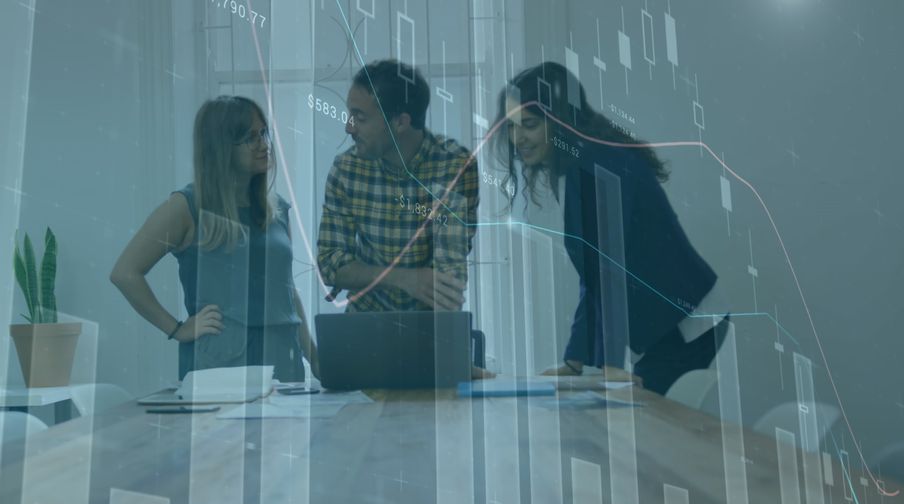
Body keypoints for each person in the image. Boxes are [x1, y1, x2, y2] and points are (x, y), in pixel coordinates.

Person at [490, 62, 729, 394]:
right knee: (634, 406)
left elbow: (608, 268)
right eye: (511, 127)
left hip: (689, 319)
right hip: (675, 317)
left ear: (560, 121)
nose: (517, 139)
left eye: (528, 125)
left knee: (645, 412)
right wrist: (576, 360)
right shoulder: (582, 162)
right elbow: (594, 274)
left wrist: (611, 365)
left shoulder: (596, 164)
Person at [111, 95, 319, 382]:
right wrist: (176, 329)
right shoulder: (187, 206)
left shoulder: (277, 209)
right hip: (221, 366)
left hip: (282, 358)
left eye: (263, 133)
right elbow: (125, 273)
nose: (264, 145)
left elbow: (286, 290)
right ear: (222, 148)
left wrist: (314, 356)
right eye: (250, 138)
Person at [317, 59, 480, 313]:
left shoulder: (454, 167)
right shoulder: (346, 169)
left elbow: (447, 275)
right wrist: (403, 278)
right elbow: (329, 264)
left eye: (360, 117)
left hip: (431, 324)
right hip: (365, 322)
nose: (348, 127)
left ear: (401, 123)